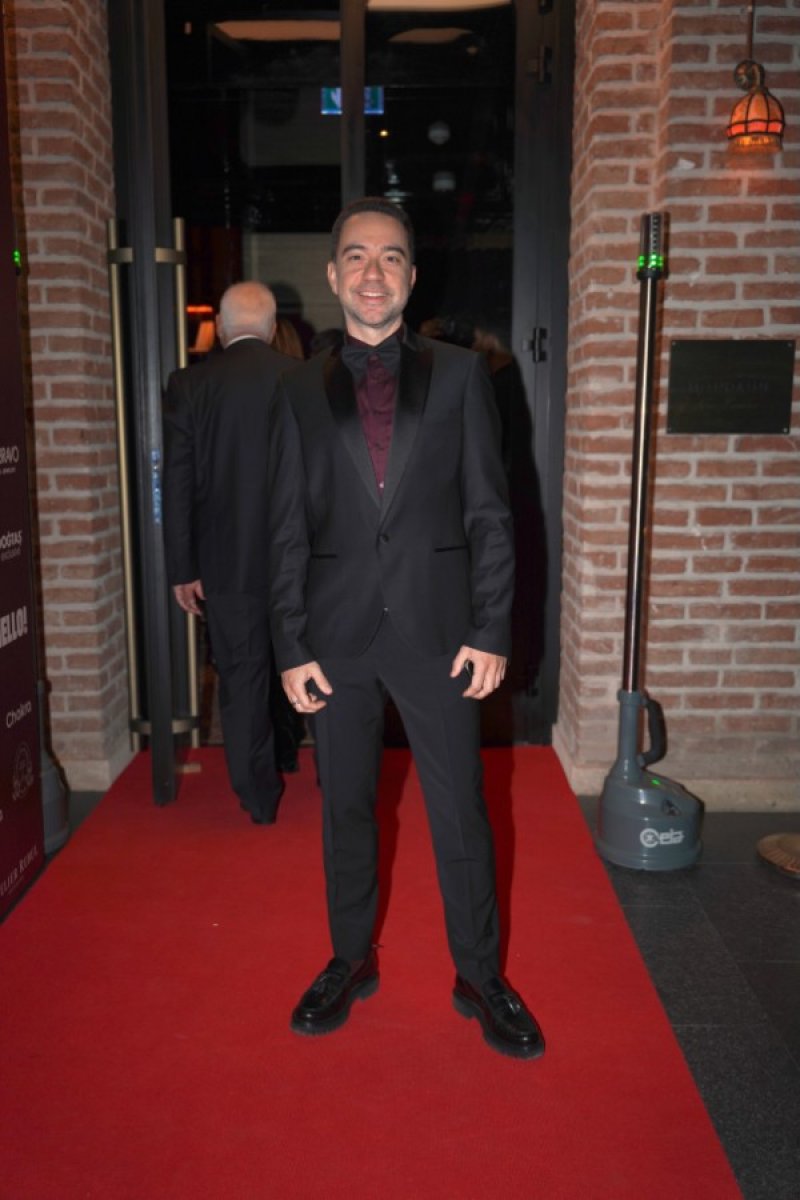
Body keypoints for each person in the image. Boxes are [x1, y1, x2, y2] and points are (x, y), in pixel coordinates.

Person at [268, 197, 544, 1060]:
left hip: (441, 632)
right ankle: (349, 959)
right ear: (333, 273)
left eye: (390, 257)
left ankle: (480, 976)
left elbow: (491, 515)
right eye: (357, 255)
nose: (373, 272)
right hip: (335, 636)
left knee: (461, 811)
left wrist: (492, 628)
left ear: (412, 275)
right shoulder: (297, 388)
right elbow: (284, 525)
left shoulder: (463, 376)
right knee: (346, 809)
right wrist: (290, 643)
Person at [163, 281, 296, 825]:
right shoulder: (304, 379)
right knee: (313, 665)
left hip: (225, 563)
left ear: (219, 326)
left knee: (242, 678)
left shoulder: (190, 384)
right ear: (272, 328)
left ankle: (258, 797)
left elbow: (177, 483)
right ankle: (329, 776)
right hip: (302, 562)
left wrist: (182, 567)